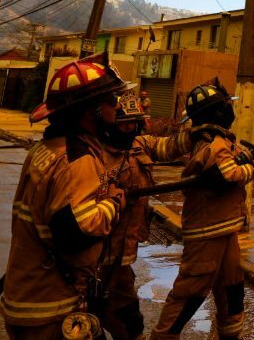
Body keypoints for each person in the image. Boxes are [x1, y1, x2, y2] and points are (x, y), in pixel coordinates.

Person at [0, 53, 132, 339]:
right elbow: (77, 231)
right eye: (111, 99)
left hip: (27, 294)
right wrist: (114, 202)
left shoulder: (48, 148)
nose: (116, 106)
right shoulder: (77, 159)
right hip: (52, 306)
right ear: (91, 110)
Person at [151, 80, 254, 340]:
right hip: (207, 232)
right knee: (189, 294)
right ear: (218, 112)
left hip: (224, 228)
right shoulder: (213, 143)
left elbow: (234, 160)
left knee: (232, 289)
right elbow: (230, 175)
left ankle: (230, 334)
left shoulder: (217, 140)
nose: (229, 109)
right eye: (225, 105)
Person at [96, 90, 195, 340]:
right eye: (124, 123)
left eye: (133, 123)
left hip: (124, 253)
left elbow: (169, 146)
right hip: (99, 254)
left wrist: (198, 134)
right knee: (107, 312)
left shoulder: (140, 146)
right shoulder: (94, 155)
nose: (129, 129)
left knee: (120, 312)